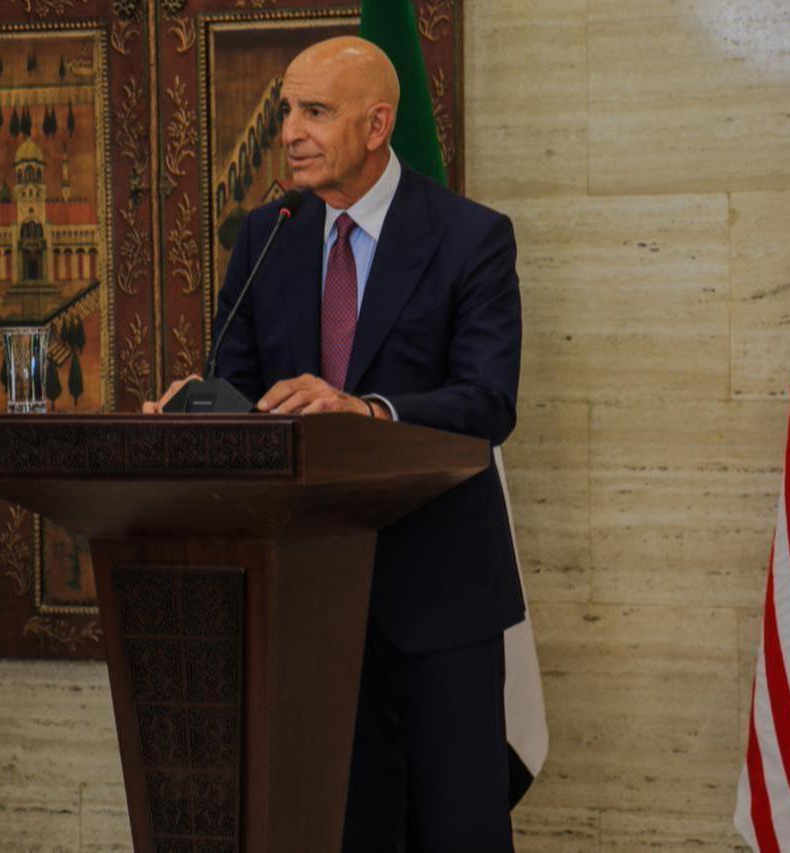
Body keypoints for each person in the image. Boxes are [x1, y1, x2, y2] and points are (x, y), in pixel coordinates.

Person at [147, 37, 523, 850]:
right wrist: (198, 408)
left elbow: (489, 399)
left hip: (439, 591)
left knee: (461, 828)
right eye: (287, 110)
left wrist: (368, 410)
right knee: (342, 830)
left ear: (377, 124)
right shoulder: (267, 235)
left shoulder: (470, 236)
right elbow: (239, 387)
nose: (289, 131)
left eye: (314, 111)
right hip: (308, 590)